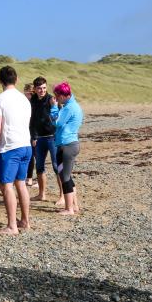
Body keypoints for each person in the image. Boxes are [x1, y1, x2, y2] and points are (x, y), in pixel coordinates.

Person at [0, 66, 33, 235]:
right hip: (25, 144)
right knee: (21, 183)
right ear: (16, 79)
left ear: (0, 80)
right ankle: (25, 221)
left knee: (6, 185)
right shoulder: (24, 99)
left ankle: (12, 226)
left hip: (10, 147)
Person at [52, 82, 83, 216]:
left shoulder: (69, 108)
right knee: (66, 175)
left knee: (64, 176)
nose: (56, 98)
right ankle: (74, 206)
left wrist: (53, 108)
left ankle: (69, 208)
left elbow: (57, 122)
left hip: (67, 145)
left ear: (64, 96)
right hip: (69, 144)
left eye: (57, 96)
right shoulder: (73, 105)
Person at [29, 76, 59, 202]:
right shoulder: (32, 101)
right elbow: (31, 120)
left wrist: (55, 106)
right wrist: (33, 136)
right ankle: (42, 194)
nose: (42, 90)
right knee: (40, 167)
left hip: (52, 138)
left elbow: (58, 118)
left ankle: (62, 196)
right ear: (35, 89)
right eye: (39, 88)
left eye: (44, 88)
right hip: (39, 138)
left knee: (57, 166)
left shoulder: (51, 99)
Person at [22, 83, 38, 189]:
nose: (27, 95)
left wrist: (35, 135)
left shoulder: (35, 102)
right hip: (27, 130)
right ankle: (29, 178)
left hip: (35, 131)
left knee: (35, 155)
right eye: (26, 93)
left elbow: (36, 120)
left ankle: (31, 178)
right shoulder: (23, 102)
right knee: (31, 155)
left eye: (29, 93)